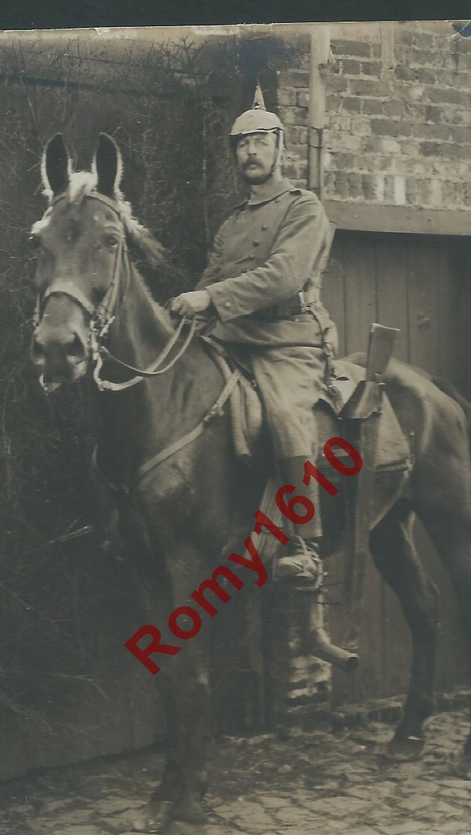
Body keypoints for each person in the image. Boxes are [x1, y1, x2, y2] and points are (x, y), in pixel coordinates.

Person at [169, 86, 337, 583]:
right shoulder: (231, 224)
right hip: (233, 336)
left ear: (280, 148)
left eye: (261, 141)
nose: (251, 152)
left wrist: (211, 300)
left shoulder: (303, 208)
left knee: (284, 412)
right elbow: (211, 280)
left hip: (289, 340)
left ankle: (304, 542)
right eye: (242, 144)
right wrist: (182, 313)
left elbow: (283, 276)